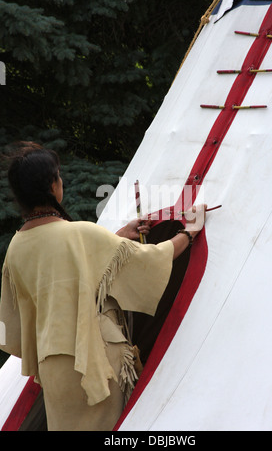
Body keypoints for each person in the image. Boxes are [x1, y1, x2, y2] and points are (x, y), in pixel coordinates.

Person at [0, 142, 206, 431]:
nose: (61, 182)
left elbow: (57, 278)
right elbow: (152, 258)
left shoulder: (16, 247)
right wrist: (189, 232)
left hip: (53, 370)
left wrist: (119, 236)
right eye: (58, 176)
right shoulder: (79, 233)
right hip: (95, 362)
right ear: (51, 186)